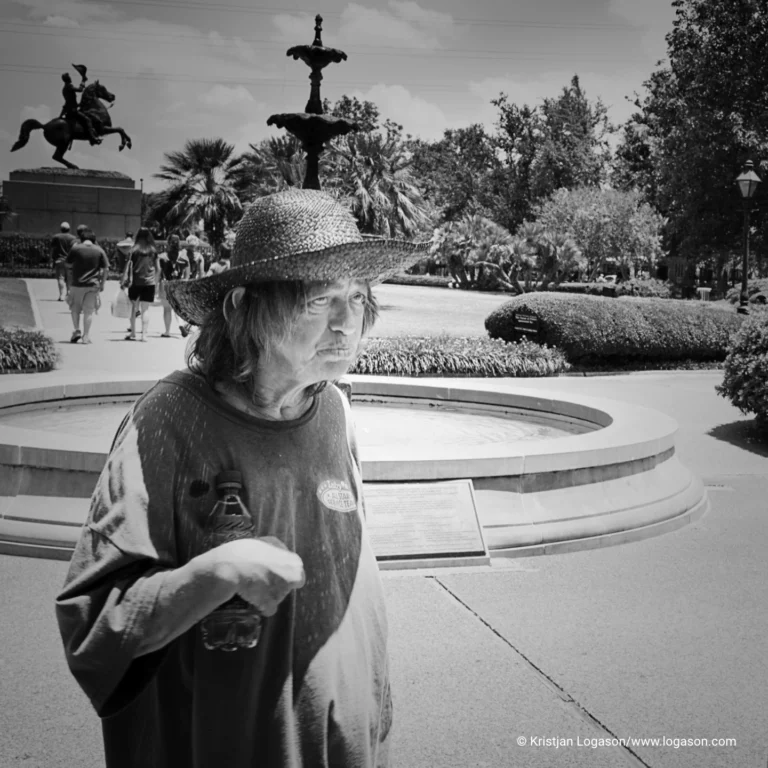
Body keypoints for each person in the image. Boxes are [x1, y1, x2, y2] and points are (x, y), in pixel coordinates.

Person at [55, 188, 429, 768]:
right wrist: (215, 573)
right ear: (241, 309)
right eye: (317, 300)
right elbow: (95, 623)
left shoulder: (334, 409)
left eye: (356, 298)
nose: (344, 323)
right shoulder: (169, 418)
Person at [65, 226, 108, 344]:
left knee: (75, 309)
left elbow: (68, 265)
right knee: (88, 311)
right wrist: (102, 283)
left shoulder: (76, 249)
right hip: (93, 285)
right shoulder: (99, 250)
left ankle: (77, 330)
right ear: (93, 239)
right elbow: (105, 269)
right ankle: (86, 336)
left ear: (81, 238)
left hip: (76, 284)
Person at [122, 227, 159, 342]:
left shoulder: (133, 250)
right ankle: (144, 335)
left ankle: (133, 333)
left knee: (133, 308)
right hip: (150, 282)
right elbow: (158, 269)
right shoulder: (153, 250)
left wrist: (123, 280)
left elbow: (128, 266)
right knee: (145, 309)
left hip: (135, 282)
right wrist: (156, 283)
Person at [157, 232, 189, 337]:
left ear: (168, 243)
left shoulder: (162, 256)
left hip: (165, 284)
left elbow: (158, 273)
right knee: (178, 308)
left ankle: (167, 332)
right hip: (179, 285)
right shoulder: (184, 256)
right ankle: (181, 324)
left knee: (167, 309)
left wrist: (156, 287)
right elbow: (187, 275)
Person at [60, 72, 101, 146]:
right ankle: (92, 138)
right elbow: (80, 89)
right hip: (73, 111)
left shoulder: (64, 89)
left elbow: (69, 101)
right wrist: (83, 80)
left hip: (70, 110)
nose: (70, 78)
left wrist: (79, 104)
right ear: (68, 79)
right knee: (87, 120)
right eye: (69, 77)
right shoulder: (69, 86)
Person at [50, 221, 76, 301]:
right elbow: (74, 249)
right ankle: (68, 294)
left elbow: (52, 249)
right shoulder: (73, 238)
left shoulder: (56, 237)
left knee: (61, 278)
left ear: (61, 229)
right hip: (69, 261)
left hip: (59, 260)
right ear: (69, 229)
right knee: (69, 279)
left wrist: (51, 259)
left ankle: (61, 295)